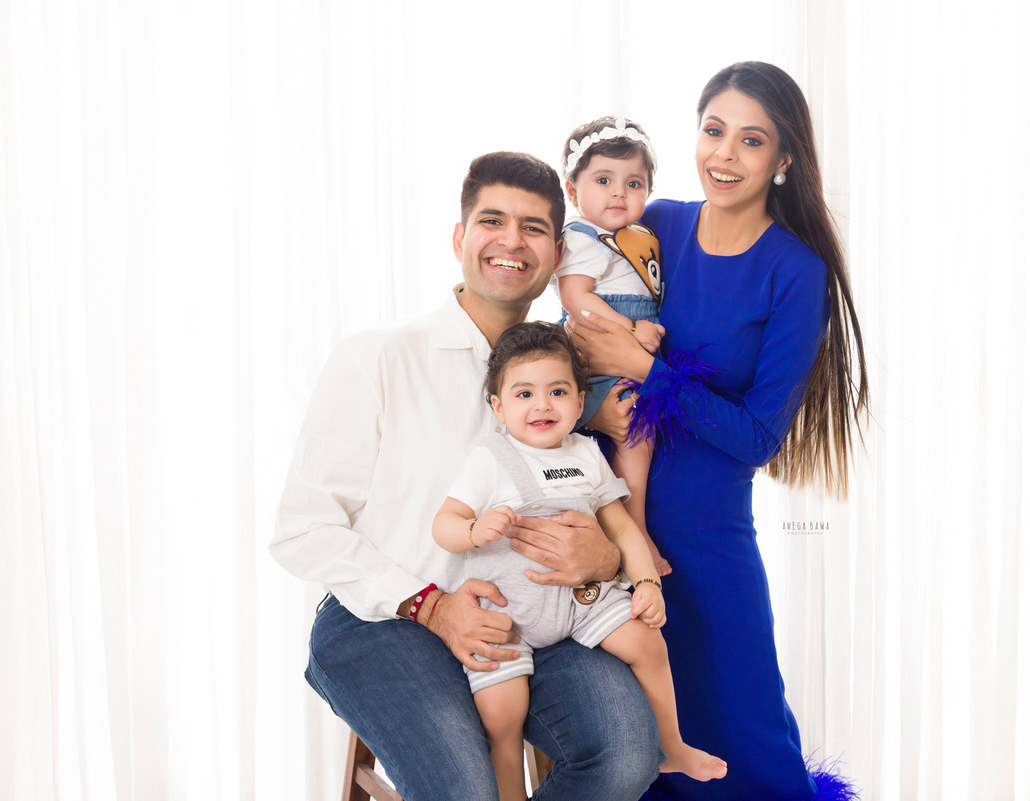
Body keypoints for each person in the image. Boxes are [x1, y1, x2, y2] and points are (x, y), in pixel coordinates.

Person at [270, 152, 663, 801]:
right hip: (386, 621)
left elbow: (598, 508)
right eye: (492, 221)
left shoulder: (571, 380)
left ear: (557, 254)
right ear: (460, 239)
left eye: (533, 228)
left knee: (625, 754)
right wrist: (430, 606)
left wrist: (605, 560)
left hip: (531, 621)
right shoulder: (378, 357)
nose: (512, 241)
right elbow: (302, 531)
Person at [569, 62, 869, 801]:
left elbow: (758, 436)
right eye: (713, 130)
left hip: (707, 551)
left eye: (751, 140)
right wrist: (597, 405)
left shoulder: (796, 272)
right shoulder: (655, 224)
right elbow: (574, 337)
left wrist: (646, 369)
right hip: (608, 534)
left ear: (784, 157)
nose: (724, 155)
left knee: (745, 744)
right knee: (634, 753)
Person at [432, 322, 726, 801]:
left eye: (558, 391)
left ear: (580, 399)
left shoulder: (586, 453)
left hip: (581, 601)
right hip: (509, 612)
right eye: (524, 394)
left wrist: (646, 584)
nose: (543, 405)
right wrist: (471, 531)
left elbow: (622, 528)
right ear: (498, 407)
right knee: (502, 714)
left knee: (647, 642)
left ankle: (670, 745)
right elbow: (444, 522)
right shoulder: (490, 459)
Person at [550, 116, 670, 574]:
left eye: (633, 183)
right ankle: (634, 529)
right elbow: (576, 300)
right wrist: (630, 329)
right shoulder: (582, 237)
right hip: (601, 345)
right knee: (635, 434)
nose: (619, 193)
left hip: (628, 346)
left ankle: (628, 527)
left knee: (639, 434)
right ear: (573, 191)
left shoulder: (635, 238)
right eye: (604, 181)